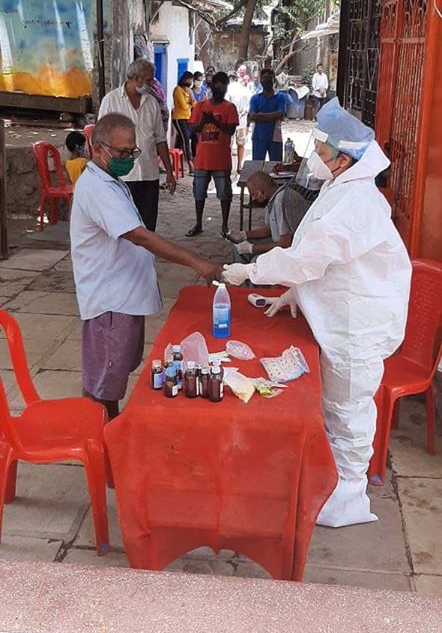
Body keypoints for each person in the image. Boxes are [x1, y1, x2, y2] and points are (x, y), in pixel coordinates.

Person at [223, 98, 412, 529]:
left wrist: (252, 270)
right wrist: (294, 294)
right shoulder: (340, 187)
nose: (317, 160)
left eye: (323, 154)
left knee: (349, 413)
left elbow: (309, 256)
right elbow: (323, 261)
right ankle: (334, 483)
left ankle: (349, 498)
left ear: (345, 159)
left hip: (357, 325)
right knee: (334, 408)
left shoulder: (355, 203)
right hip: (344, 316)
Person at [70, 113, 221, 421]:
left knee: (114, 374)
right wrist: (196, 261)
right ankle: (102, 448)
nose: (128, 159)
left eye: (132, 152)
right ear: (96, 148)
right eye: (122, 153)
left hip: (122, 298)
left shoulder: (109, 180)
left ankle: (107, 435)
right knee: (103, 386)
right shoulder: (97, 189)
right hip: (110, 303)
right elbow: (140, 236)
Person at [98, 58, 176, 233]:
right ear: (136, 78)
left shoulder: (152, 103)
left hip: (149, 174)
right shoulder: (111, 101)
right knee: (123, 224)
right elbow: (101, 140)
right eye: (149, 79)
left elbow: (160, 140)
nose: (152, 83)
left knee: (148, 226)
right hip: (122, 175)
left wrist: (169, 172)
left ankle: (144, 259)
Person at [186, 71, 239, 238]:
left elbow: (230, 130)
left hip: (221, 160)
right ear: (212, 86)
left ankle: (224, 225)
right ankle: (198, 223)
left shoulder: (229, 107)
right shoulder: (201, 106)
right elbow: (192, 129)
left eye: (223, 86)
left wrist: (214, 121)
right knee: (199, 194)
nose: (220, 89)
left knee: (225, 195)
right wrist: (204, 121)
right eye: (217, 85)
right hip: (202, 159)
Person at [227, 170, 311, 259]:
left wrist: (252, 248)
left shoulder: (281, 201)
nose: (253, 199)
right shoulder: (273, 198)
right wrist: (243, 235)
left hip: (294, 251)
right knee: (237, 248)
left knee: (256, 262)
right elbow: (269, 229)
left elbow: (285, 244)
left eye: (254, 194)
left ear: (261, 192)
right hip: (279, 243)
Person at [248, 69, 287, 161]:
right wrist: (272, 116)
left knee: (276, 165)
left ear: (274, 80)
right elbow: (252, 116)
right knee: (257, 165)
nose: (267, 80)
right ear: (260, 80)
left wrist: (260, 116)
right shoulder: (255, 98)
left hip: (275, 137)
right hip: (258, 136)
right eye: (264, 78)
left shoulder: (280, 97)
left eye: (269, 78)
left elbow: (280, 114)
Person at [226, 68, 250, 174]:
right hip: (242, 121)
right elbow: (249, 106)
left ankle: (228, 165)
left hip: (230, 122)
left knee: (228, 145)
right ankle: (239, 165)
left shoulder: (228, 89)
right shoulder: (245, 90)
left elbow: (226, 106)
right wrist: (243, 113)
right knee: (241, 144)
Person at [172, 70, 196, 175]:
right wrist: (190, 104)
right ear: (185, 79)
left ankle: (175, 164)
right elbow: (183, 105)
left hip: (188, 117)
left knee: (182, 140)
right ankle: (190, 163)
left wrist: (191, 101)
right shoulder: (178, 90)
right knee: (185, 138)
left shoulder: (189, 91)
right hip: (179, 118)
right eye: (189, 79)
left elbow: (195, 103)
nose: (191, 82)